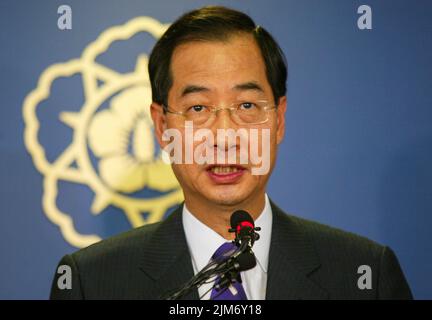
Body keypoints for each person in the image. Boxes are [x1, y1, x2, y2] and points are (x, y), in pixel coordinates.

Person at [50, 6, 412, 300]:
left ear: (279, 120)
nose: (224, 136)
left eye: (247, 106)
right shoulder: (92, 283)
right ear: (162, 126)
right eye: (197, 109)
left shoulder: (363, 275)